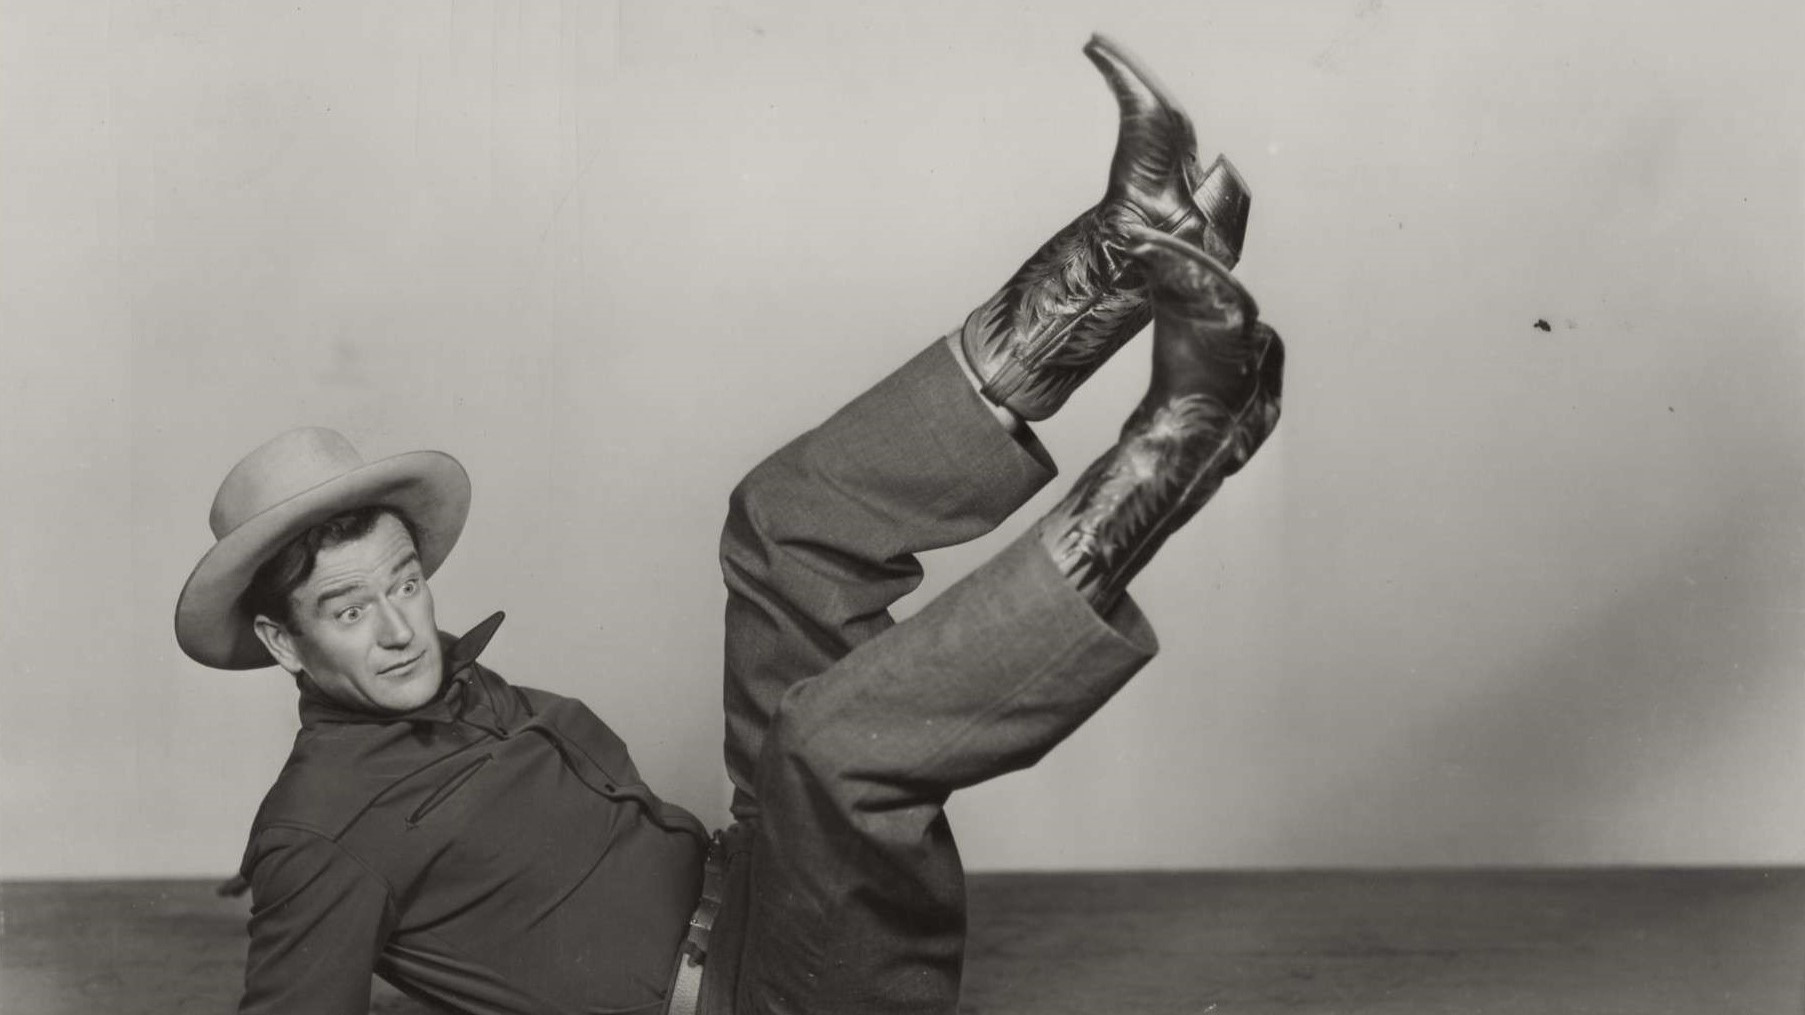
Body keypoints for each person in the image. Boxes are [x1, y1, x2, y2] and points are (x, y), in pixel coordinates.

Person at [175, 34, 1285, 1015]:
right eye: (347, 609)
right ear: (281, 640)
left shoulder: (446, 695)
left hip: (766, 884)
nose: (399, 628)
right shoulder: (318, 833)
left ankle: (1122, 250)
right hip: (775, 996)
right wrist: (299, 879)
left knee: (778, 521)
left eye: (404, 582)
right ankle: (1175, 449)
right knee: (825, 743)